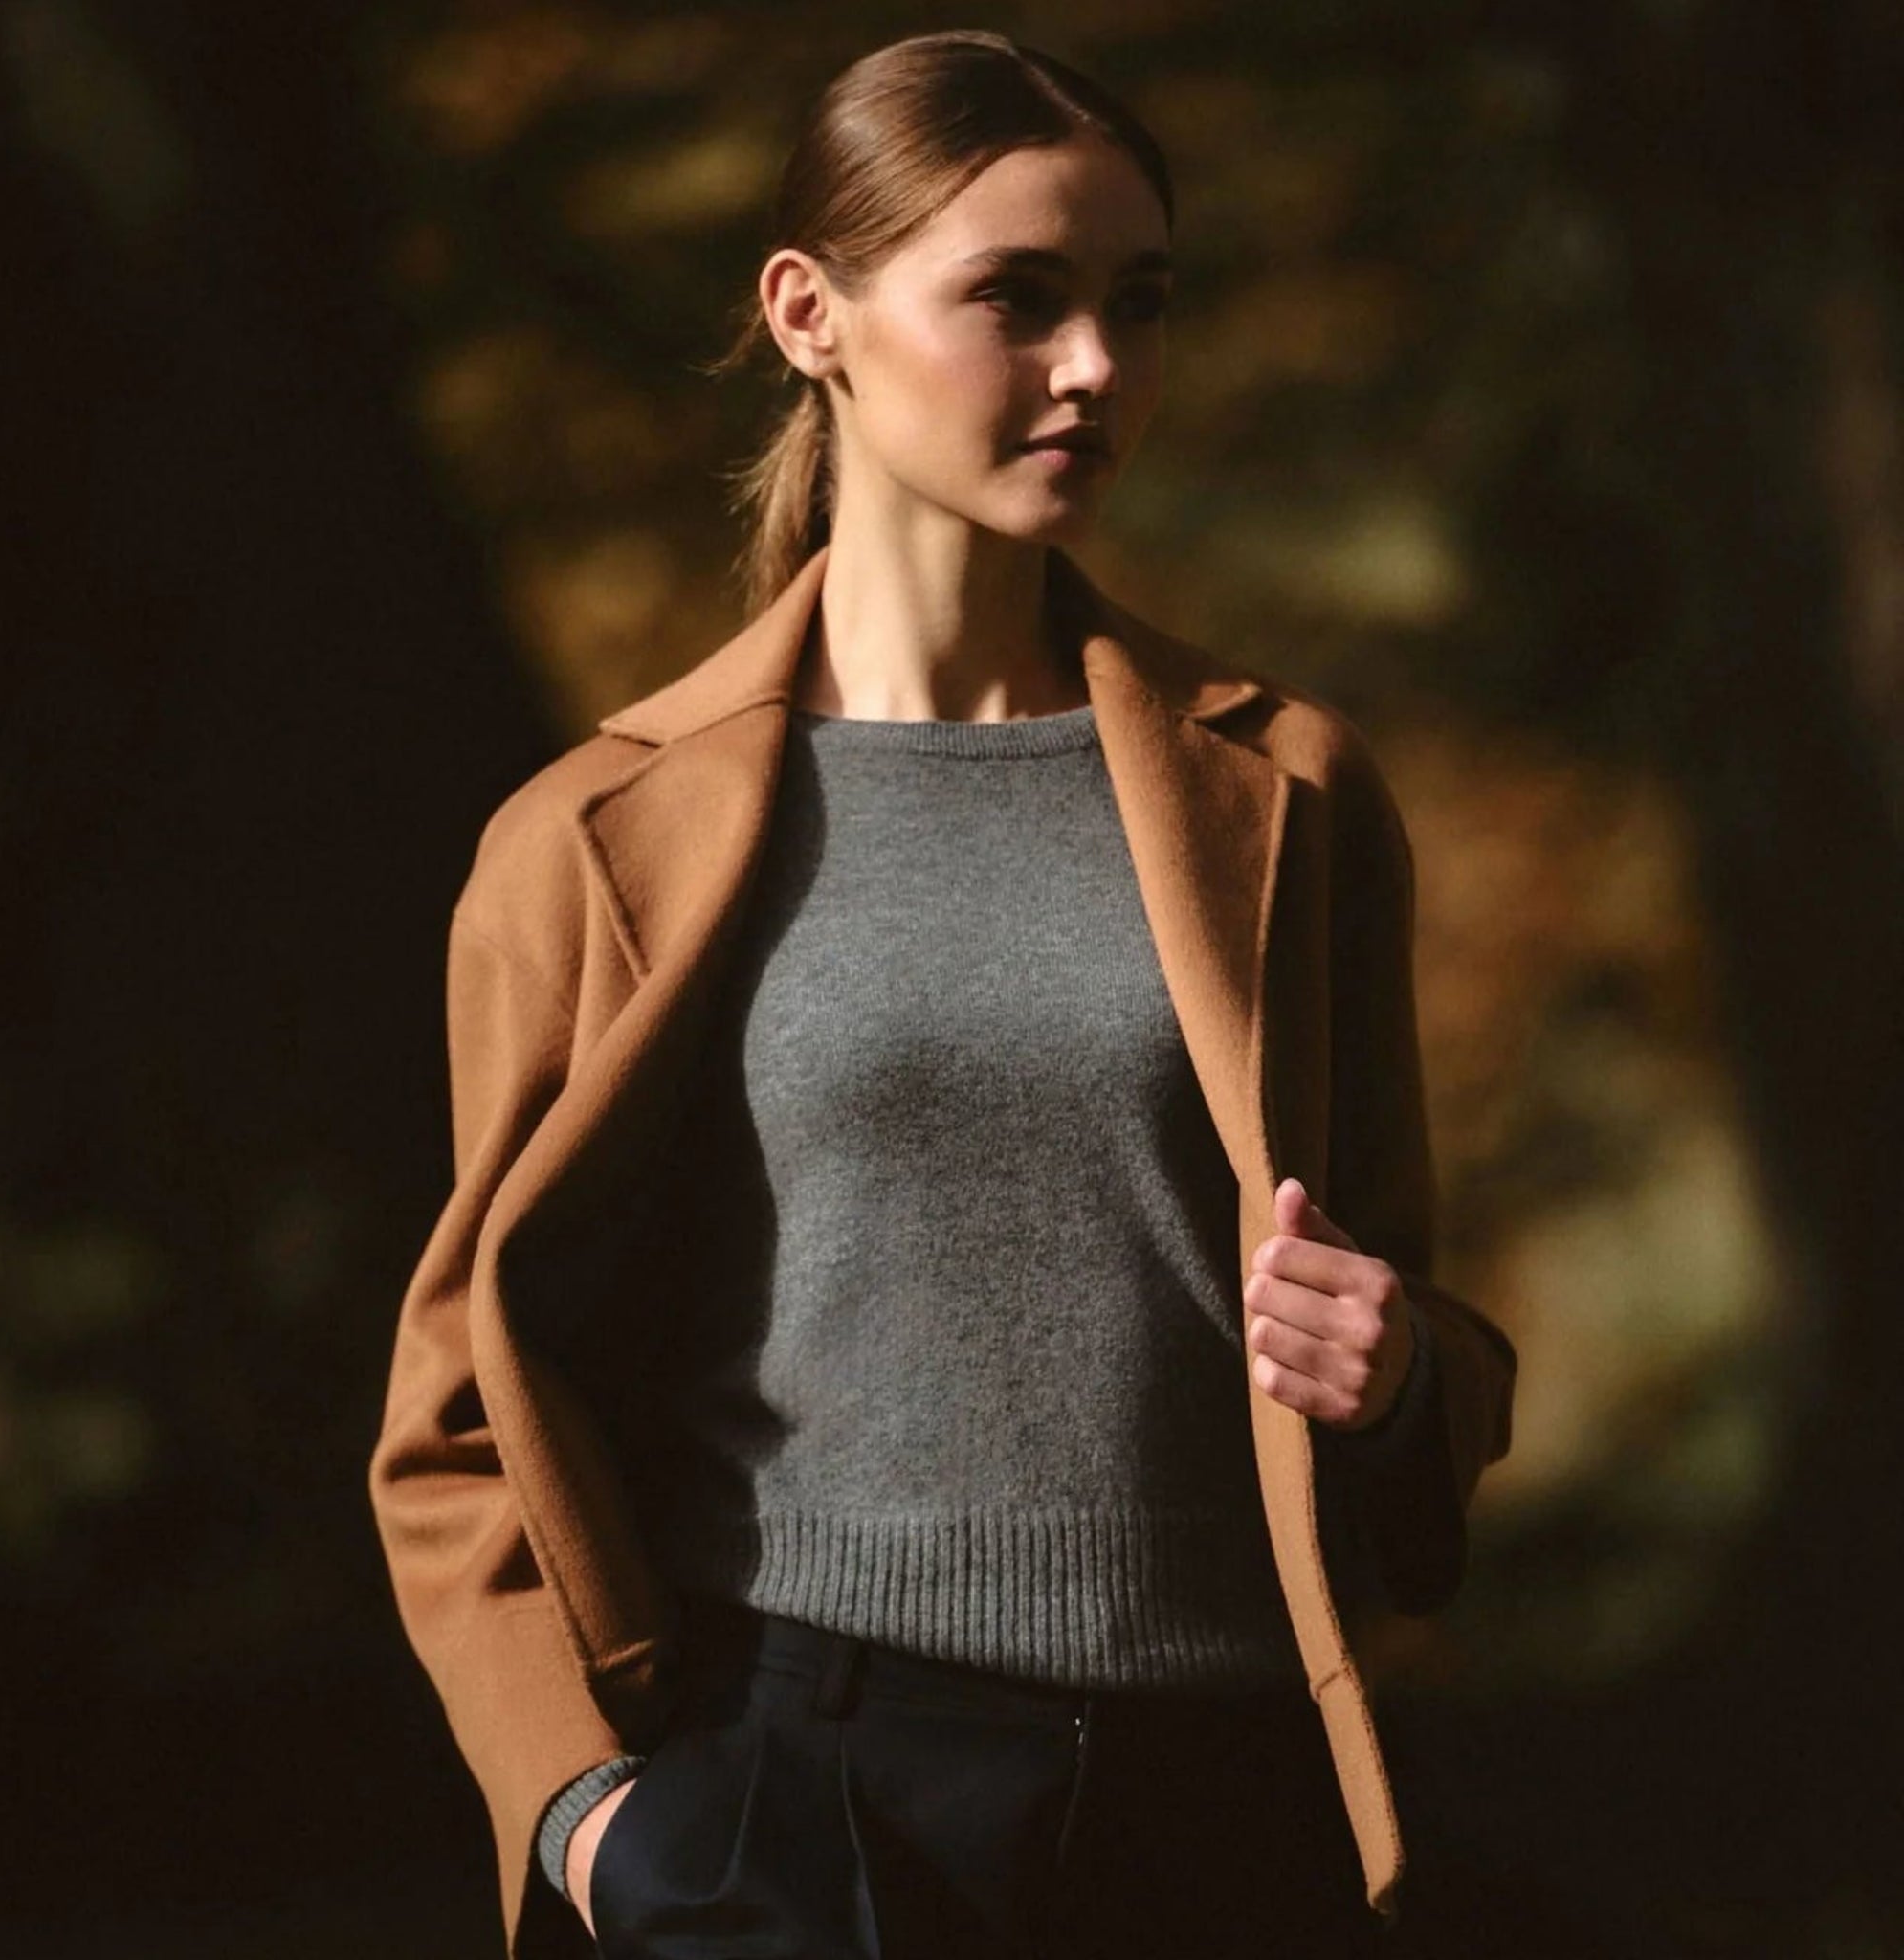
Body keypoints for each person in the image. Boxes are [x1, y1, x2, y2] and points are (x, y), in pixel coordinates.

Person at [368, 28, 1517, 1960]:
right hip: (806, 1798)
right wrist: (583, 1816)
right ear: (810, 313)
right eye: (1016, 296)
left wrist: (1398, 1368)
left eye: (1135, 304)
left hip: (1230, 1802)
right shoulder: (595, 843)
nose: (1093, 367)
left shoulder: (1291, 790)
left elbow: (1427, 1351)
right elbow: (456, 1407)